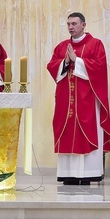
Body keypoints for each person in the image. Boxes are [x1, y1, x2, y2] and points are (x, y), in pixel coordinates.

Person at [47, 12, 110, 185]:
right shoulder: (62, 47)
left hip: (87, 100)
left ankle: (90, 173)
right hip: (66, 100)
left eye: (74, 24)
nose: (70, 27)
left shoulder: (95, 44)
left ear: (83, 25)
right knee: (66, 132)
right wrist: (66, 62)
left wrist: (78, 61)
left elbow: (100, 68)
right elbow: (52, 66)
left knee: (87, 132)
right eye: (68, 24)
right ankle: (69, 173)